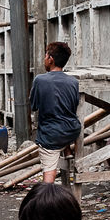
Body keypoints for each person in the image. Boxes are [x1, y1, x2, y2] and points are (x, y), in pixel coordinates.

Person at [30, 42, 82, 185]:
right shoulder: (73, 82)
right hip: (71, 130)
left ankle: (47, 196)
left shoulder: (40, 80)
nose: (44, 59)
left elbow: (34, 106)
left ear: (51, 59)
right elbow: (73, 106)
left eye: (45, 56)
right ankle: (67, 150)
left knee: (49, 173)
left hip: (51, 136)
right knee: (62, 118)